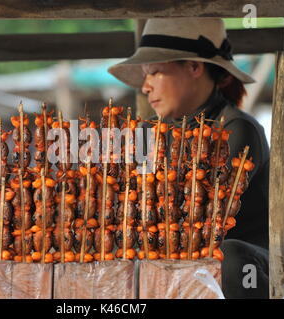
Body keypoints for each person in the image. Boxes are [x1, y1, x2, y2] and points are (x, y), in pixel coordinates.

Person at [108, 18, 270, 298]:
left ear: (194, 67)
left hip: (242, 269)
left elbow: (200, 216)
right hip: (170, 256)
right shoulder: (147, 131)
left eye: (155, 72)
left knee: (228, 255)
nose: (146, 87)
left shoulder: (236, 129)